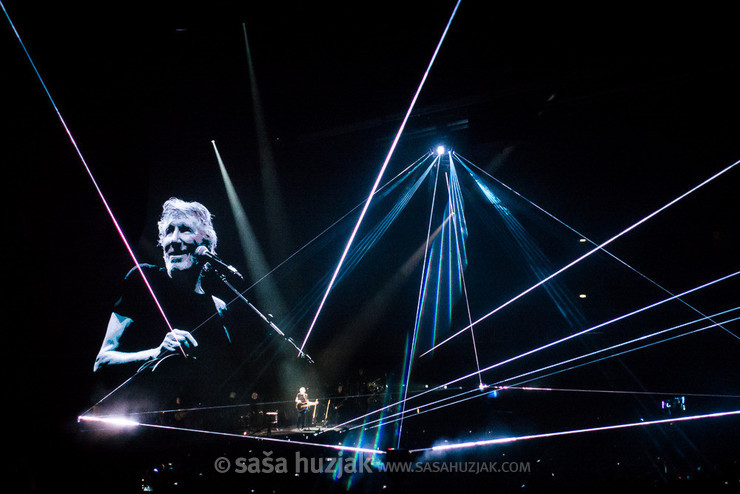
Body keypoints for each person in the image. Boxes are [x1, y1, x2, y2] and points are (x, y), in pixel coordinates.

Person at [93, 197, 259, 412]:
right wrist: (157, 353)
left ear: (205, 244)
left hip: (202, 426)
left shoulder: (218, 307)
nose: (174, 240)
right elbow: (102, 361)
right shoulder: (143, 280)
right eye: (168, 232)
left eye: (184, 230)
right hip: (140, 421)